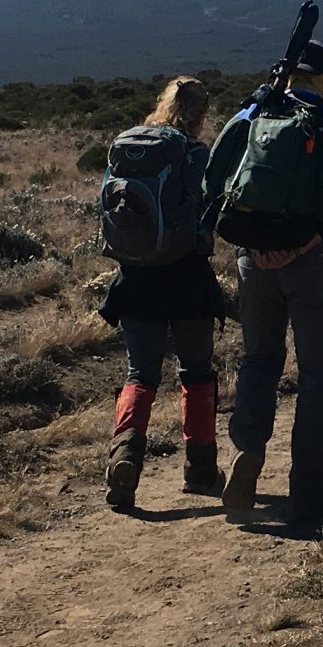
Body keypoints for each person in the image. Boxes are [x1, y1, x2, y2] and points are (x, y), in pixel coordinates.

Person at [204, 39, 323, 530]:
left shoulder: (252, 113)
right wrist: (306, 242)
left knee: (258, 360)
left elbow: (215, 182)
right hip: (313, 262)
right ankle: (310, 486)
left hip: (252, 264)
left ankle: (250, 454)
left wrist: (254, 244)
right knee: (319, 374)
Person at [97, 76, 226, 511]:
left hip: (135, 279)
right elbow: (210, 208)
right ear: (200, 114)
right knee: (197, 371)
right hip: (187, 276)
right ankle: (201, 468)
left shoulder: (129, 145)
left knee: (140, 373)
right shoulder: (193, 153)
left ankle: (125, 455)